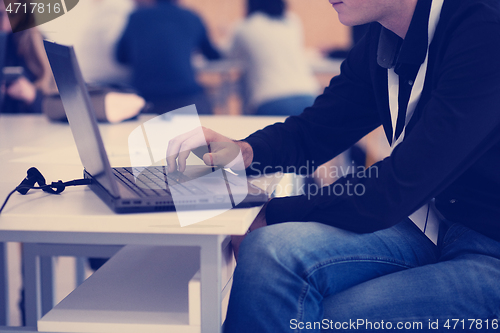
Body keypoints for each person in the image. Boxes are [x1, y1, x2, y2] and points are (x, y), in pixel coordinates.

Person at [166, 0, 500, 332]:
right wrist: (244, 152)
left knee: (303, 316)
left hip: (488, 250)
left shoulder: (485, 29)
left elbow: (394, 190)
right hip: (433, 225)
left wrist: (271, 212)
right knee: (270, 253)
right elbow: (315, 131)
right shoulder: (382, 41)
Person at [116, 0, 222, 114]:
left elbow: (120, 57)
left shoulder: (136, 17)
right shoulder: (192, 17)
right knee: (207, 106)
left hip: (146, 99)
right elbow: (212, 55)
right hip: (185, 98)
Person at [229, 0, 319, 116]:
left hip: (269, 99)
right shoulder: (293, 21)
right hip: (307, 95)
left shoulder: (244, 26)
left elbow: (229, 55)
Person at [0, 1, 56, 114]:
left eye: (12, 15)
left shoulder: (40, 45)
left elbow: (57, 106)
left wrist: (32, 96)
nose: (4, 25)